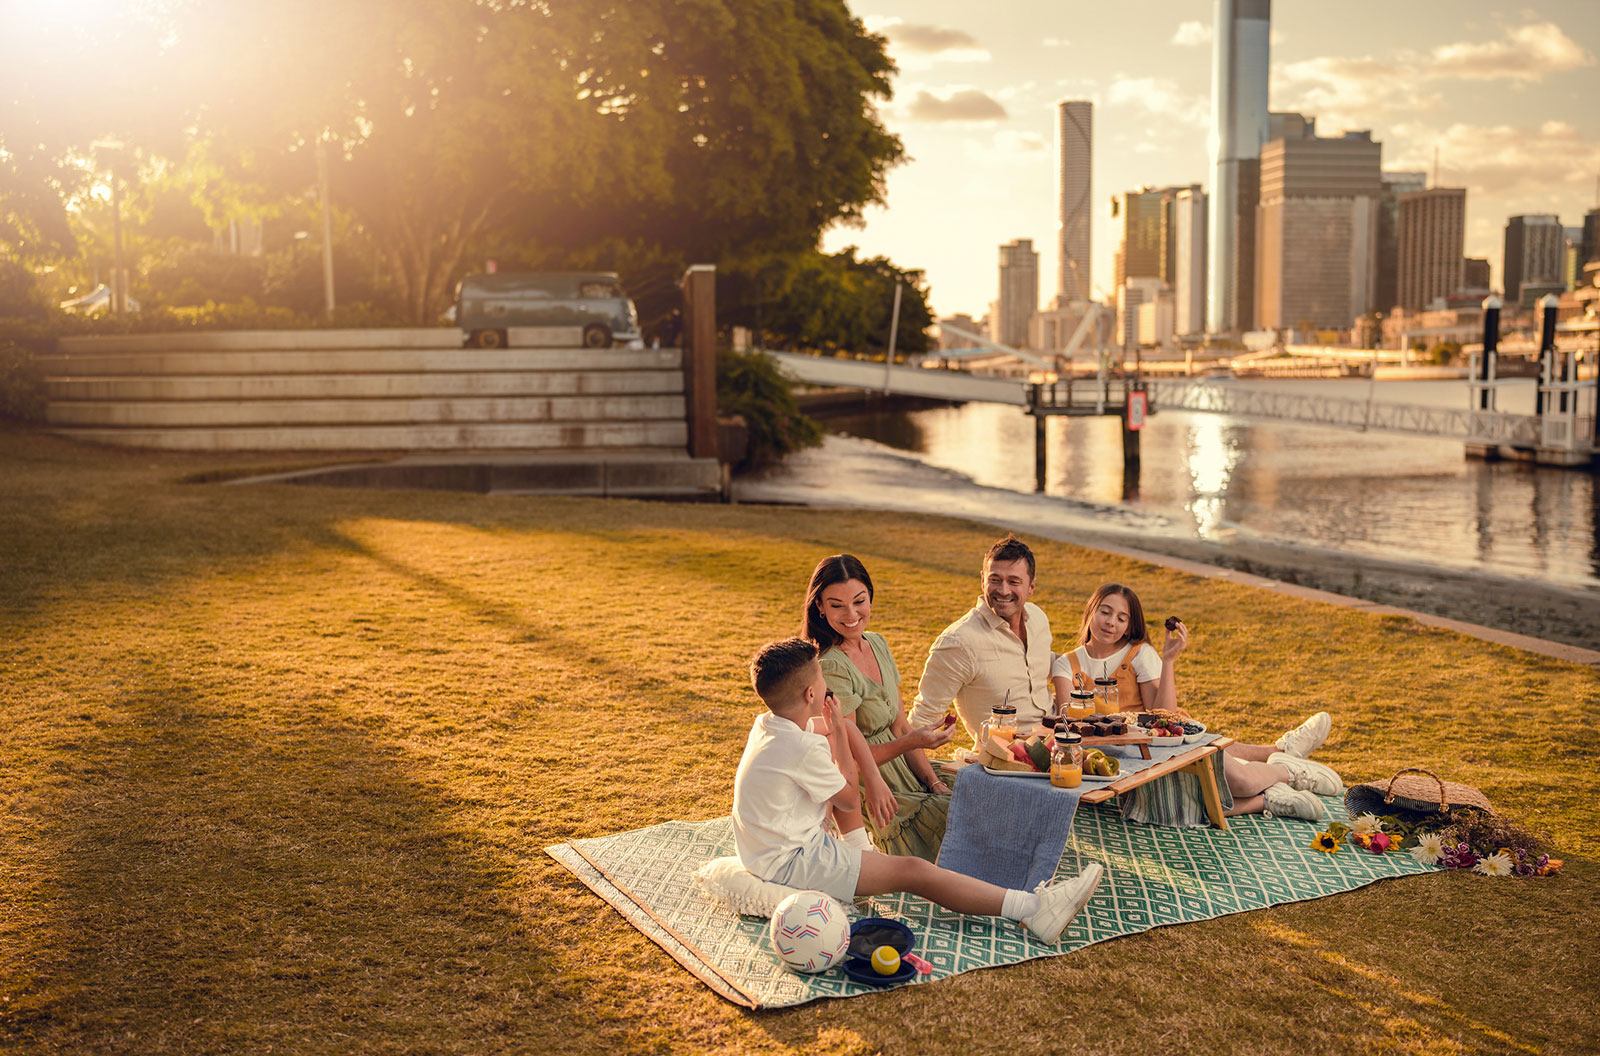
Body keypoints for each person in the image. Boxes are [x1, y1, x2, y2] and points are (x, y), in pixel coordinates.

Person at [732, 637, 1103, 944]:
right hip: (792, 861)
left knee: (836, 775)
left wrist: (836, 734)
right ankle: (1035, 910)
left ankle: (861, 855)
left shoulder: (769, 726)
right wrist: (841, 733)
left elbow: (825, 762)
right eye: (824, 682)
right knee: (915, 871)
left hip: (766, 849)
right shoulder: (802, 748)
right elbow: (845, 795)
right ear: (813, 692)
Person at [1055, 582, 1343, 824]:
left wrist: (1167, 660)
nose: (1110, 623)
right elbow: (1071, 724)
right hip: (1118, 757)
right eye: (1105, 612)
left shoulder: (1139, 654)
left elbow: (1164, 716)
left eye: (1121, 618)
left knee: (1240, 781)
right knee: (1176, 805)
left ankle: (1288, 770)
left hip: (1162, 743)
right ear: (1090, 612)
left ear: (1130, 626)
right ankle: (1268, 796)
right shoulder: (1065, 665)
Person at [803, 554, 955, 861]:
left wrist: (933, 781)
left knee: (982, 789)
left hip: (907, 771)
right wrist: (912, 741)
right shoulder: (831, 665)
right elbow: (845, 758)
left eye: (859, 601)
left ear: (870, 596)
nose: (851, 614)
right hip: (870, 786)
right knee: (963, 818)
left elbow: (900, 725)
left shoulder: (877, 643)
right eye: (836, 605)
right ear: (819, 606)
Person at [906, 535, 1054, 750]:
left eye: (1013, 581)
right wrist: (932, 782)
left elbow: (1040, 664)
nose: (1003, 590)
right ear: (983, 579)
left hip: (1062, 744)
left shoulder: (1038, 618)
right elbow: (921, 720)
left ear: (1031, 587)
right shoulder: (958, 643)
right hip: (1004, 764)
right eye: (995, 579)